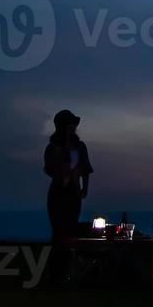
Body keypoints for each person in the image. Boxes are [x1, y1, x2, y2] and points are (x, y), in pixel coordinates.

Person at [43, 109, 93, 283]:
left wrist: (84, 189)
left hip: (73, 192)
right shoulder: (52, 148)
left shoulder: (80, 147)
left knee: (70, 232)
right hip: (58, 191)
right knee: (58, 231)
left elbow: (86, 169)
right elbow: (50, 169)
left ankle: (65, 273)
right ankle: (54, 274)